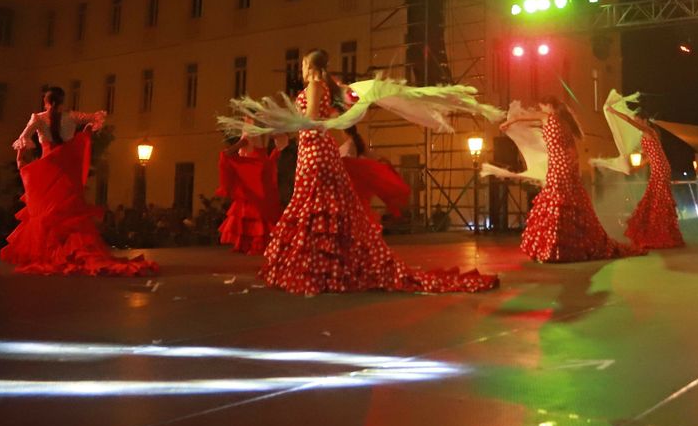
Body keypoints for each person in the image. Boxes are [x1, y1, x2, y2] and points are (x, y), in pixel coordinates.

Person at [259, 49, 496, 295]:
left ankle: (321, 268)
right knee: (321, 205)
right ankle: (324, 267)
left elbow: (309, 119)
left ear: (310, 65)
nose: (301, 69)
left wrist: (284, 120)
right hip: (313, 148)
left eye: (303, 64)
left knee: (316, 204)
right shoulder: (326, 87)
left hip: (315, 149)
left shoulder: (316, 86)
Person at [0, 86, 158, 276]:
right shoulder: (71, 117)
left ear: (46, 101)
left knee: (46, 212)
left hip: (49, 168)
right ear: (63, 101)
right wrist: (87, 130)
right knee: (69, 213)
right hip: (67, 169)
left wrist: (20, 158)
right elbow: (95, 118)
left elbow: (23, 138)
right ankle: (72, 252)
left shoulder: (38, 118)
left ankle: (51, 253)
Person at [512, 98, 642, 262]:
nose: (541, 108)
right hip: (566, 166)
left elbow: (530, 117)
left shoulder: (549, 117)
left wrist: (513, 120)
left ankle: (556, 246)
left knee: (558, 201)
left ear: (550, 106)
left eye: (543, 105)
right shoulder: (564, 123)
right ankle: (564, 245)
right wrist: (573, 167)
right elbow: (572, 149)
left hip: (559, 167)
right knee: (568, 201)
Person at [609, 105, 685, 249]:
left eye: (638, 120)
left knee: (658, 200)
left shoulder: (649, 131)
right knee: (654, 199)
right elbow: (649, 158)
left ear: (644, 121)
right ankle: (658, 233)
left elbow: (628, 120)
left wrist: (614, 112)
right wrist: (634, 168)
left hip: (661, 168)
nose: (636, 123)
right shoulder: (647, 134)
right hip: (659, 168)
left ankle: (662, 234)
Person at [216, 130, 282, 254]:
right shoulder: (266, 128)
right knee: (261, 205)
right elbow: (280, 140)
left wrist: (229, 151)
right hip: (264, 164)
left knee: (251, 203)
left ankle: (251, 244)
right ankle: (255, 243)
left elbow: (244, 142)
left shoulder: (251, 128)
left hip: (253, 165)